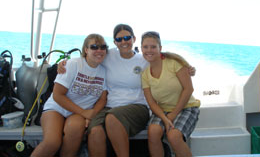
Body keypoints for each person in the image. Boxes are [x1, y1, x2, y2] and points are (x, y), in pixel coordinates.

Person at [58, 24, 196, 157]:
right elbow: (90, 57)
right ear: (114, 42)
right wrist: (65, 63)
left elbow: (163, 58)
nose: (123, 42)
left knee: (113, 118)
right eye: (119, 39)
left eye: (127, 38)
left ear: (134, 39)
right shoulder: (108, 55)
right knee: (95, 131)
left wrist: (188, 68)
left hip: (137, 106)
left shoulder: (144, 59)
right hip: (110, 106)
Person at [31, 34, 108, 157]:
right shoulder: (73, 64)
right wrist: (84, 112)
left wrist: (92, 113)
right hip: (57, 108)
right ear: (86, 50)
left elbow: (102, 99)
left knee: (75, 128)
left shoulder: (104, 71)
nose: (99, 50)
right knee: (52, 142)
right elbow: (57, 95)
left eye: (103, 47)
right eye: (94, 47)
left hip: (77, 113)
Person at [141, 31, 200, 157]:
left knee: (173, 135)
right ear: (141, 48)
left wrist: (172, 115)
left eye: (153, 47)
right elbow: (151, 103)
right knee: (153, 132)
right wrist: (164, 118)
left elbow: (188, 89)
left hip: (186, 107)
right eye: (145, 47)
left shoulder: (174, 63)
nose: (149, 50)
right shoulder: (145, 74)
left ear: (160, 48)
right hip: (163, 110)